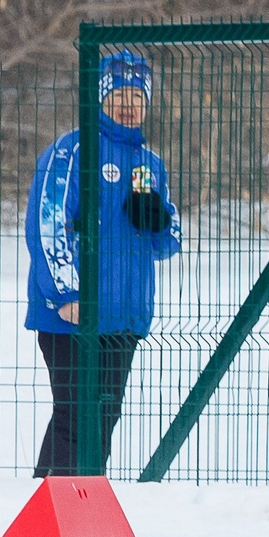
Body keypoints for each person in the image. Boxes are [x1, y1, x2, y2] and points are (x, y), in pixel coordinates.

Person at [25, 51, 181, 477]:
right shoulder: (72, 152)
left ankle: (86, 506)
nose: (129, 104)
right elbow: (47, 222)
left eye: (137, 95)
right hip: (73, 315)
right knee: (76, 417)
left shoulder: (148, 164)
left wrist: (158, 220)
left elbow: (168, 241)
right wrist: (66, 293)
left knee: (103, 421)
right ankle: (49, 507)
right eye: (119, 94)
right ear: (100, 98)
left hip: (123, 319)